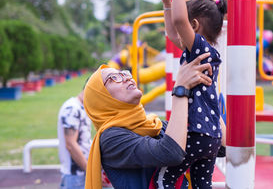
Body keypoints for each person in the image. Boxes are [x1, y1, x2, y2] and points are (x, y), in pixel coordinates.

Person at [83, 53, 215, 189]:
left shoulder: (155, 124)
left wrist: (206, 87)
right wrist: (181, 89)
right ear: (101, 99)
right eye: (114, 78)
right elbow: (171, 153)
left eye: (124, 73)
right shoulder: (110, 138)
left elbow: (212, 144)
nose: (126, 78)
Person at [156, 0, 227, 188]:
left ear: (194, 26)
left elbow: (178, 21)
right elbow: (172, 32)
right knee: (201, 184)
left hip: (195, 132)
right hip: (211, 137)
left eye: (186, 26)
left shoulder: (199, 48)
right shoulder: (204, 51)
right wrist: (167, 2)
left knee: (164, 178)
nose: (181, 30)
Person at [57, 90, 91, 189]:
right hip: (75, 176)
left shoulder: (80, 107)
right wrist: (90, 171)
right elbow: (71, 145)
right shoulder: (72, 109)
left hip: (80, 172)